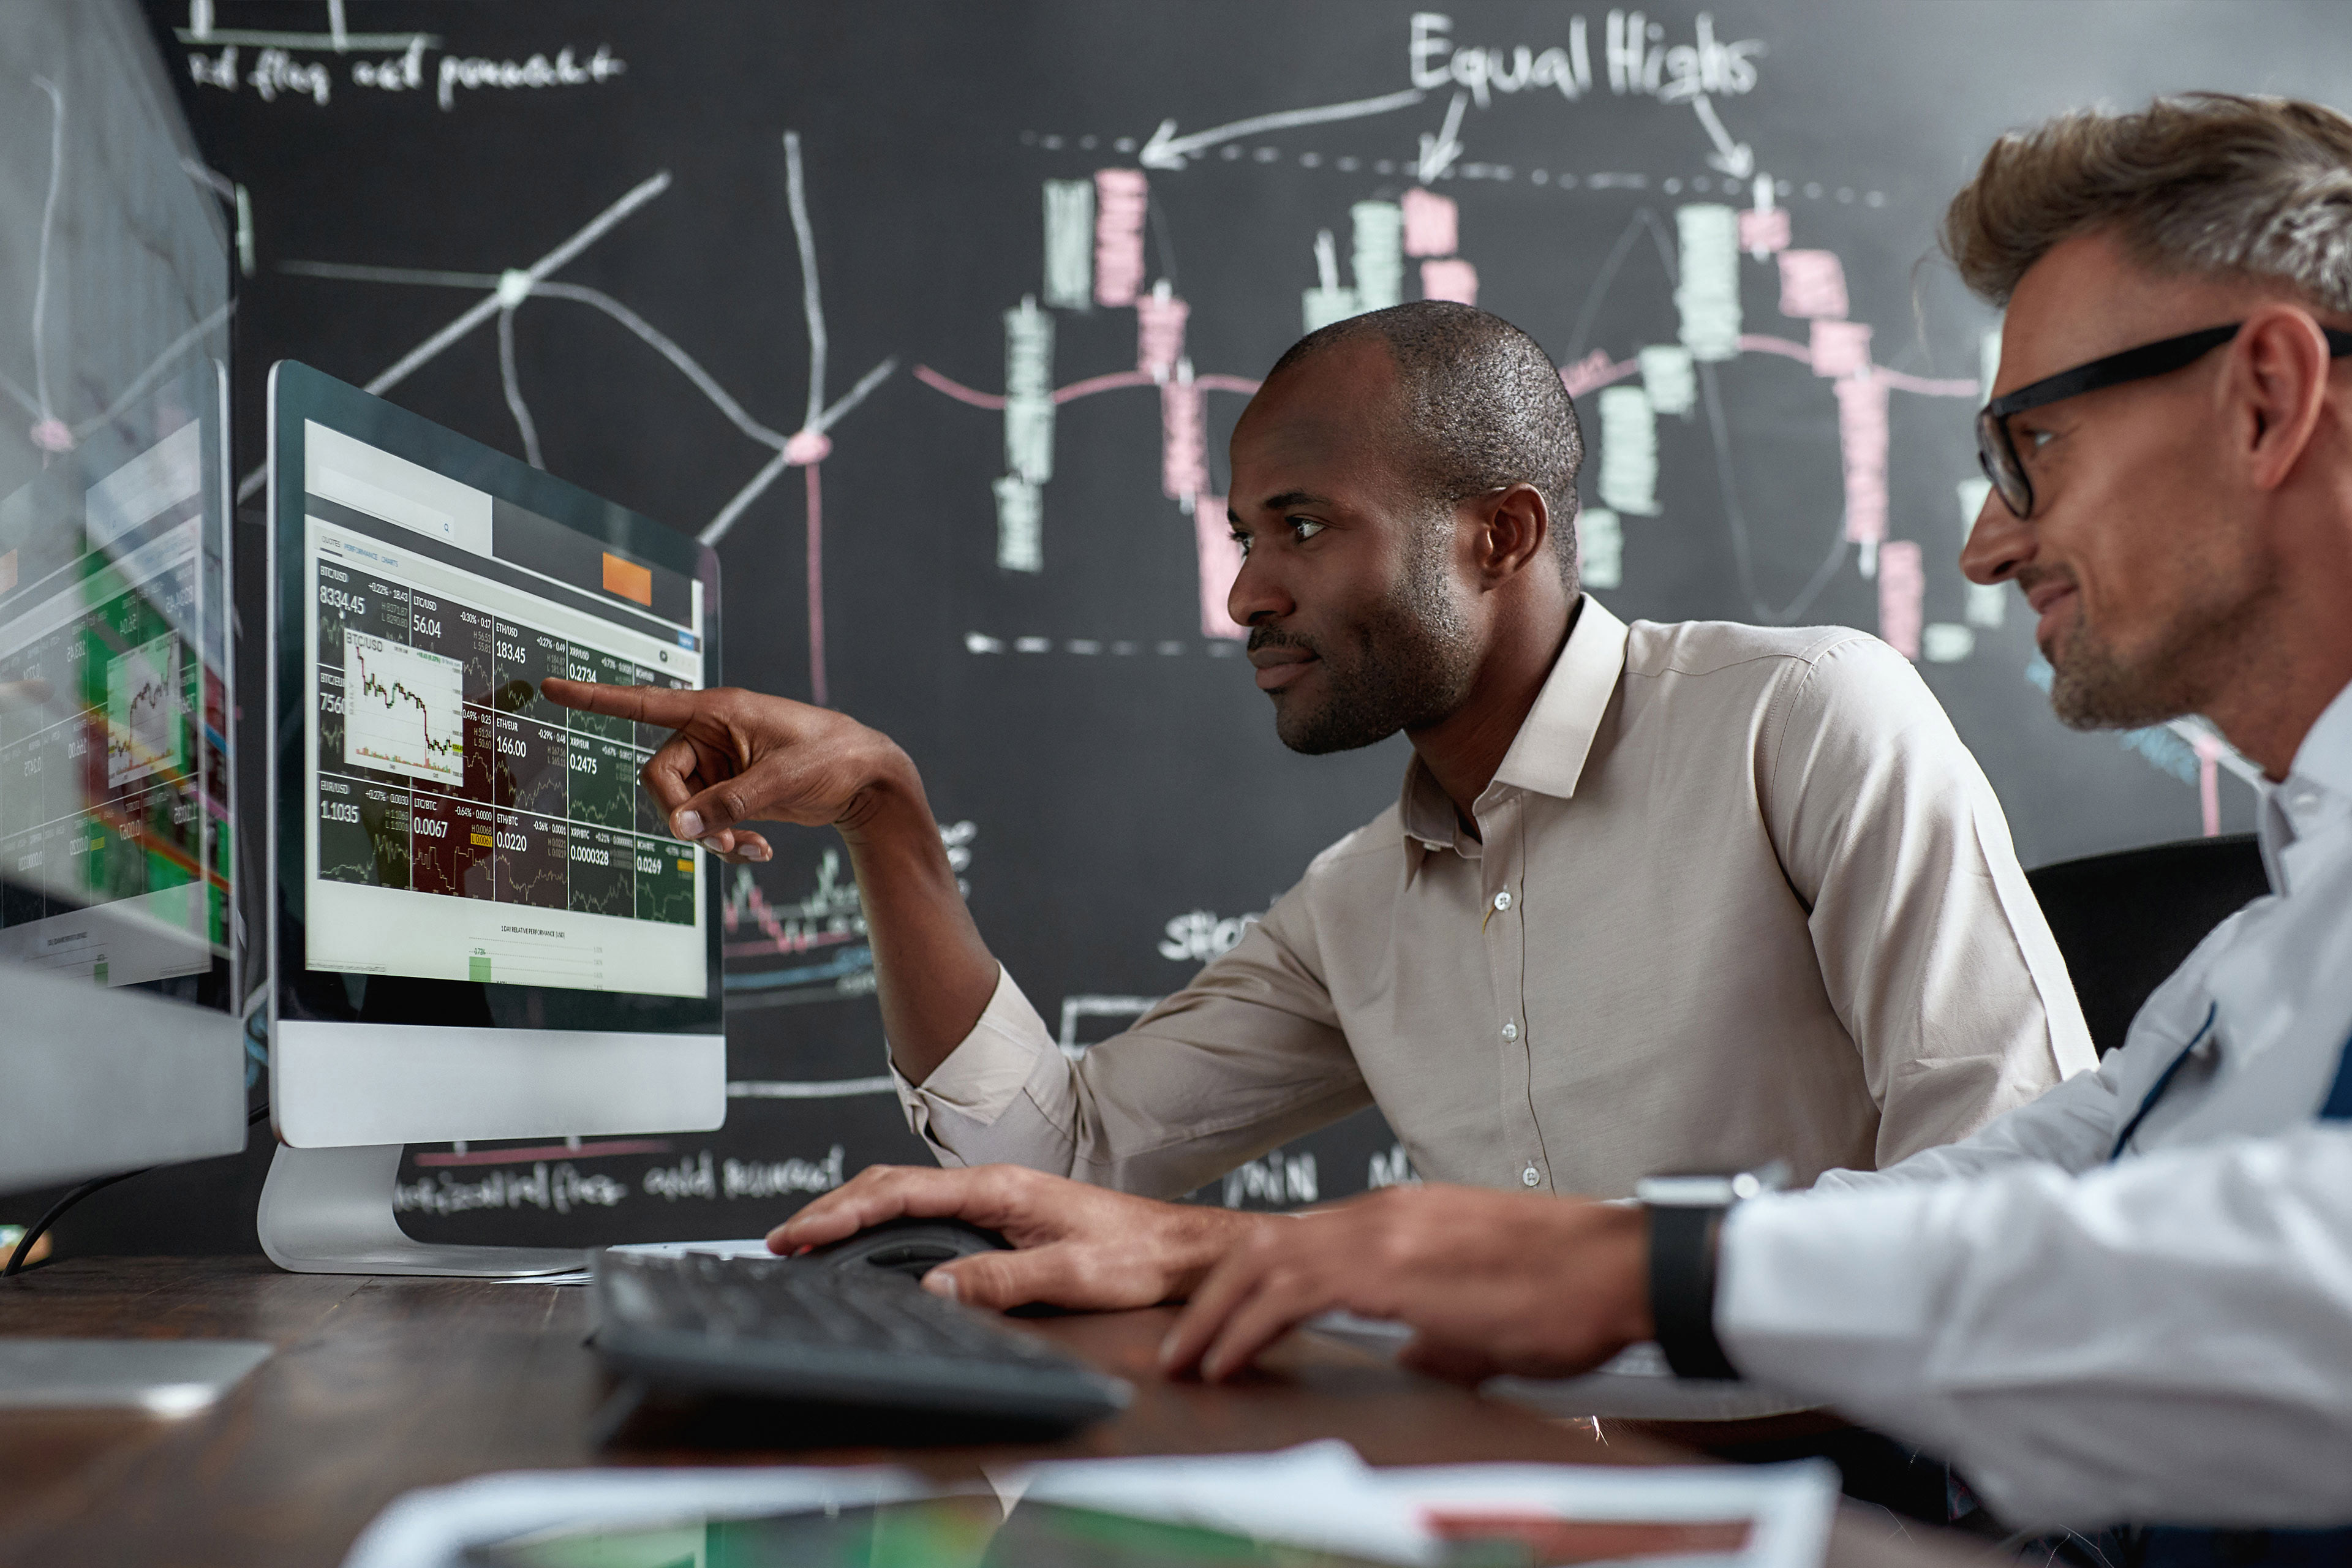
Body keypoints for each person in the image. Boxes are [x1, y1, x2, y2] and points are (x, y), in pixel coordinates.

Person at [1132, 95, 2352, 1553]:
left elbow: (2288, 1296)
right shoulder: (2272, 947)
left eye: (2036, 445)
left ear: (2268, 398)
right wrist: (1461, 1273)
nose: (1987, 538)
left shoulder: (1800, 717)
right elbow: (2008, 1198)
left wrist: (1646, 1279)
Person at [549, 303, 2084, 1232]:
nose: (1245, 596)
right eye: (1243, 536)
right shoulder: (1362, 906)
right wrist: (887, 811)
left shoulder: (1807, 720)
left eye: (1302, 525)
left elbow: (2019, 1209)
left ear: (1499, 534)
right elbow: (1062, 1151)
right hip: (1502, 1503)